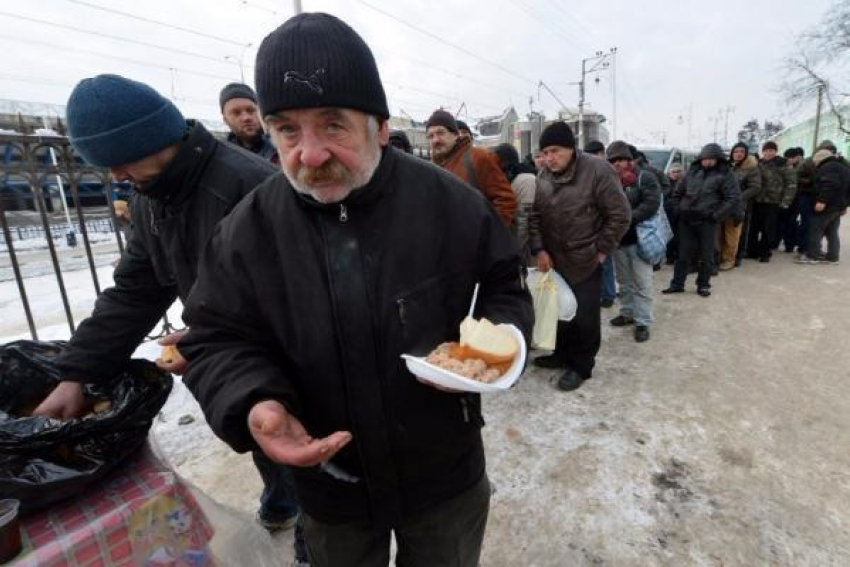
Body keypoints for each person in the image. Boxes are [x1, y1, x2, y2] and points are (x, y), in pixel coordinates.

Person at [178, 13, 533, 567]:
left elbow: (504, 289)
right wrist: (255, 401)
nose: (310, 153)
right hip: (329, 486)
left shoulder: (450, 204)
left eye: (333, 125)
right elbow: (215, 338)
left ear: (380, 127)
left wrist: (502, 343)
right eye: (288, 130)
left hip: (444, 476)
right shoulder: (248, 230)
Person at [29, 75, 307, 553]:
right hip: (229, 364)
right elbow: (135, 291)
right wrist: (76, 373)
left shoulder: (251, 186)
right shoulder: (151, 198)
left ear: (154, 138)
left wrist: (202, 341)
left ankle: (311, 540)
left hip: (289, 367)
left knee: (303, 455)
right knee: (264, 440)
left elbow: (298, 301)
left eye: (120, 160)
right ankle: (284, 500)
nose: (115, 175)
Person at [529, 121, 630, 391]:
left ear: (571, 148)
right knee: (559, 311)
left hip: (585, 259)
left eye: (555, 151)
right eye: (545, 152)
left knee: (584, 317)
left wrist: (601, 251)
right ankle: (561, 354)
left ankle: (582, 366)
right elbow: (535, 217)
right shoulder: (543, 177)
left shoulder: (597, 170)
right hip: (554, 260)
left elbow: (620, 215)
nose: (549, 158)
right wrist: (539, 249)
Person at [663, 143, 740, 297]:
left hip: (707, 220)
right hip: (686, 219)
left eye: (712, 159)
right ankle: (677, 283)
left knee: (707, 255)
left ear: (718, 159)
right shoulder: (691, 172)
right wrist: (679, 209)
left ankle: (703, 285)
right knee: (683, 254)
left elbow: (732, 198)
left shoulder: (725, 174)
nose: (708, 162)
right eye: (705, 159)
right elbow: (677, 193)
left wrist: (715, 215)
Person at [606, 141, 660, 342]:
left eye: (621, 159)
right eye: (613, 161)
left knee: (642, 282)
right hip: (618, 240)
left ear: (629, 160)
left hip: (639, 239)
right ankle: (627, 312)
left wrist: (626, 217)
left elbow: (651, 204)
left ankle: (643, 321)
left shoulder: (644, 177)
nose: (617, 164)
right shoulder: (608, 180)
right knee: (624, 281)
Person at [427, 109, 517, 227]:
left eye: (440, 133)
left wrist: (488, 237)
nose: (435, 140)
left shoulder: (477, 157)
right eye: (431, 136)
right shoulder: (432, 168)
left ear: (455, 134)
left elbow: (505, 201)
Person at [796, 148, 850, 265]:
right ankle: (832, 257)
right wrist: (845, 205)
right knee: (832, 232)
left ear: (820, 159)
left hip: (827, 206)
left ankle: (813, 256)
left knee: (815, 229)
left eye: (815, 162)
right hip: (838, 207)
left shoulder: (828, 167)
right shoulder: (843, 168)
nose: (815, 164)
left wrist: (822, 201)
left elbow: (829, 185)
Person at [748, 141, 796, 263]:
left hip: (773, 201)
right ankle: (752, 251)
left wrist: (786, 202)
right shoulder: (759, 164)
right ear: (762, 152)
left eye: (771, 150)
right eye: (766, 150)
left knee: (768, 229)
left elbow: (791, 184)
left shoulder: (783, 164)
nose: (768, 153)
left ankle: (765, 252)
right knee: (754, 227)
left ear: (775, 152)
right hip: (758, 200)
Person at [583, 140, 616, 307]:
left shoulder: (607, 172)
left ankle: (608, 294)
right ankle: (601, 293)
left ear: (602, 154)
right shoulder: (586, 172)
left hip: (604, 226)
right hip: (590, 227)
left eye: (595, 155)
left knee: (606, 262)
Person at [492, 143, 536, 262]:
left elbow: (525, 220)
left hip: (530, 251)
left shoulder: (525, 180)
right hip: (519, 247)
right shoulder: (509, 180)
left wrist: (514, 254)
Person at [721, 142, 762, 270]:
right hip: (723, 204)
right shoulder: (728, 166)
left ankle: (734, 258)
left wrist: (737, 198)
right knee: (722, 232)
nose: (738, 154)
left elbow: (755, 187)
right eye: (736, 151)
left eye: (741, 152)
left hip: (740, 205)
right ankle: (722, 257)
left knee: (736, 233)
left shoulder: (751, 167)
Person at [219, 82, 278, 163]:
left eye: (251, 110)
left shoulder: (284, 148)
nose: (246, 118)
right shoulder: (221, 158)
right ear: (225, 120)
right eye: (236, 113)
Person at [665, 163, 684, 264]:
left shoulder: (684, 183)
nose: (676, 174)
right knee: (669, 235)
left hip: (681, 213)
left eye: (678, 171)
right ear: (669, 173)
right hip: (669, 213)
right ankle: (669, 255)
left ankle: (678, 255)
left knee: (680, 236)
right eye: (674, 172)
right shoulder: (665, 183)